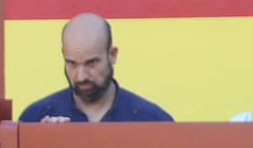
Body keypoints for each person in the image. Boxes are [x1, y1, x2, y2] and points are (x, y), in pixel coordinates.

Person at [18, 13, 173, 123]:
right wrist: (42, 144)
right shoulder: (34, 118)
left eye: (91, 63)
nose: (81, 77)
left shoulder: (153, 120)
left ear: (112, 55)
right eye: (72, 63)